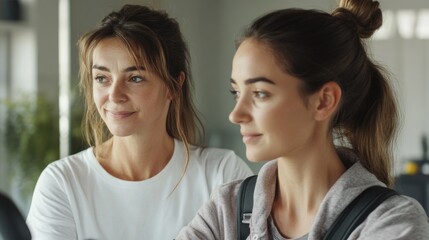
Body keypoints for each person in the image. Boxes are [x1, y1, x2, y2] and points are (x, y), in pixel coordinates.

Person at [176, 0, 429, 239]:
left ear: (324, 101)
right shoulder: (226, 208)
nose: (236, 114)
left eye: (260, 93)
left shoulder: (391, 222)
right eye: (236, 93)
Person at [26, 4, 252, 240]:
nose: (114, 95)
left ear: (174, 86)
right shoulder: (62, 183)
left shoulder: (222, 175)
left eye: (134, 78)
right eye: (102, 78)